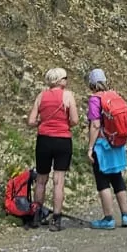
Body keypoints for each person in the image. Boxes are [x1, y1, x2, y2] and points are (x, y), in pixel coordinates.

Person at [27, 67, 79, 230]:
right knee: (59, 181)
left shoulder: (41, 96)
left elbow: (31, 121)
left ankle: (36, 215)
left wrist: (41, 124)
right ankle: (56, 219)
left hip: (44, 140)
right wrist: (65, 124)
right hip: (62, 140)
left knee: (41, 180)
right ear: (59, 80)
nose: (67, 80)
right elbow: (75, 120)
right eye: (65, 78)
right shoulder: (68, 95)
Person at [85, 68, 127, 230]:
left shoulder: (94, 100)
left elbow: (95, 124)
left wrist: (90, 147)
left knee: (103, 181)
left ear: (91, 84)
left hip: (102, 146)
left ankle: (108, 218)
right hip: (117, 144)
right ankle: (126, 215)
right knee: (117, 178)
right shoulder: (113, 96)